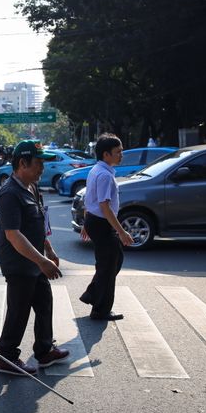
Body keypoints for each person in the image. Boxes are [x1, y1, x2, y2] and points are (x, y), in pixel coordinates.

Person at [0, 140, 70, 376]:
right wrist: (41, 261)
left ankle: (44, 350)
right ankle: (6, 357)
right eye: (38, 163)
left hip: (35, 259)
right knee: (19, 311)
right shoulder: (9, 194)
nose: (42, 169)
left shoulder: (32, 187)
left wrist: (48, 249)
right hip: (18, 262)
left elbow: (38, 222)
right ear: (22, 163)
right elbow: (13, 235)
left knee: (44, 302)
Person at [79, 133, 134, 321]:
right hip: (102, 224)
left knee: (112, 262)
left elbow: (89, 199)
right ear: (105, 155)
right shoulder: (104, 175)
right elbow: (104, 206)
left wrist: (87, 222)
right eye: (117, 152)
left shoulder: (97, 170)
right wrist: (121, 231)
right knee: (108, 266)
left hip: (96, 221)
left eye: (121, 151)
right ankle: (100, 310)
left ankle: (93, 295)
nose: (121, 155)